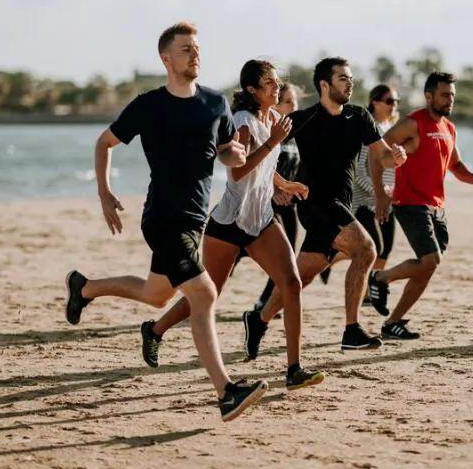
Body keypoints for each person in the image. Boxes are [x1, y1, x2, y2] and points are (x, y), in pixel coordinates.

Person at [62, 22, 269, 421]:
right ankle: (226, 392)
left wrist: (236, 155)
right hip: (163, 217)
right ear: (166, 58)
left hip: (194, 219)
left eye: (197, 48)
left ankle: (84, 287)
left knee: (156, 295)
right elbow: (105, 142)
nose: (195, 54)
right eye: (186, 49)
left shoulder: (215, 103)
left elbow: (226, 151)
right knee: (204, 294)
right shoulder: (149, 105)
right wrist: (104, 192)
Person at [141, 61, 325, 391]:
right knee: (207, 293)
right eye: (269, 83)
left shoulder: (273, 119)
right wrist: (272, 143)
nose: (276, 87)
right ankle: (155, 330)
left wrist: (284, 184)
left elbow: (264, 168)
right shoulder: (242, 121)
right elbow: (238, 171)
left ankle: (294, 369)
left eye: (276, 81)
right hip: (228, 223)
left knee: (291, 283)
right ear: (253, 90)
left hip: (261, 220)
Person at [243, 57, 407, 357]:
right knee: (366, 249)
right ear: (324, 84)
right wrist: (279, 185)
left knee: (301, 277)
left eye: (350, 78)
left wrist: (395, 158)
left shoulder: (359, 116)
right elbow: (262, 152)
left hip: (341, 203)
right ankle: (352, 330)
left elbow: (382, 155)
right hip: (315, 203)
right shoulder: (303, 119)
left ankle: (258, 319)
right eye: (343, 78)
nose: (349, 83)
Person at [366, 72, 473, 340]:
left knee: (428, 267)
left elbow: (455, 165)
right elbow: (376, 154)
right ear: (429, 96)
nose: (450, 100)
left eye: (453, 95)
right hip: (410, 203)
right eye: (445, 95)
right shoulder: (412, 123)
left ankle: (392, 323)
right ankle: (380, 278)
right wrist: (380, 195)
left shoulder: (449, 128)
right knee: (430, 260)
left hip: (436, 206)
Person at [252, 82, 303, 312]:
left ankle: (265, 301)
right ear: (276, 105)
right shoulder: (270, 133)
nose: (294, 107)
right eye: (288, 102)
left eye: (295, 101)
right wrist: (275, 190)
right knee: (238, 253)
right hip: (266, 204)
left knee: (287, 256)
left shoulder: (294, 135)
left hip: (288, 206)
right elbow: (257, 165)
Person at [350, 84, 401, 299]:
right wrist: (377, 191)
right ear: (375, 102)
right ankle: (331, 261)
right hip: (365, 202)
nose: (394, 105)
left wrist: (393, 192)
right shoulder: (368, 129)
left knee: (386, 248)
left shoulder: (393, 129)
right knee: (374, 247)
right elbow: (358, 171)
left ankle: (371, 290)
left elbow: (395, 167)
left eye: (396, 101)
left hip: (387, 199)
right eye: (389, 101)